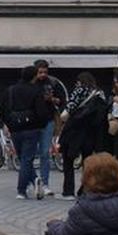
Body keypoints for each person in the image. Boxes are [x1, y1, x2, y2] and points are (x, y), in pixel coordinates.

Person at [6, 65, 55, 200]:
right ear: (34, 77)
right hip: (31, 129)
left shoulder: (11, 90)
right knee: (27, 159)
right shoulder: (36, 91)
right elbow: (42, 112)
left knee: (22, 158)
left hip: (15, 128)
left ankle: (33, 180)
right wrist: (41, 125)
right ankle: (23, 189)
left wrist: (9, 124)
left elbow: (3, 110)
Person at [58, 72, 108, 199]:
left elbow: (69, 108)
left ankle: (68, 191)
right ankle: (85, 190)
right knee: (87, 162)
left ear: (80, 81)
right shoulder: (100, 93)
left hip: (75, 131)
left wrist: (63, 117)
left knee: (68, 161)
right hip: (91, 132)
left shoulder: (79, 90)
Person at [34, 60, 67, 199]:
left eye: (45, 72)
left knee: (45, 152)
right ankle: (33, 180)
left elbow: (62, 101)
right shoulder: (30, 83)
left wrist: (52, 99)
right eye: (40, 72)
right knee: (30, 152)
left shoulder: (53, 83)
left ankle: (45, 183)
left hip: (48, 120)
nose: (42, 75)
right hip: (32, 122)